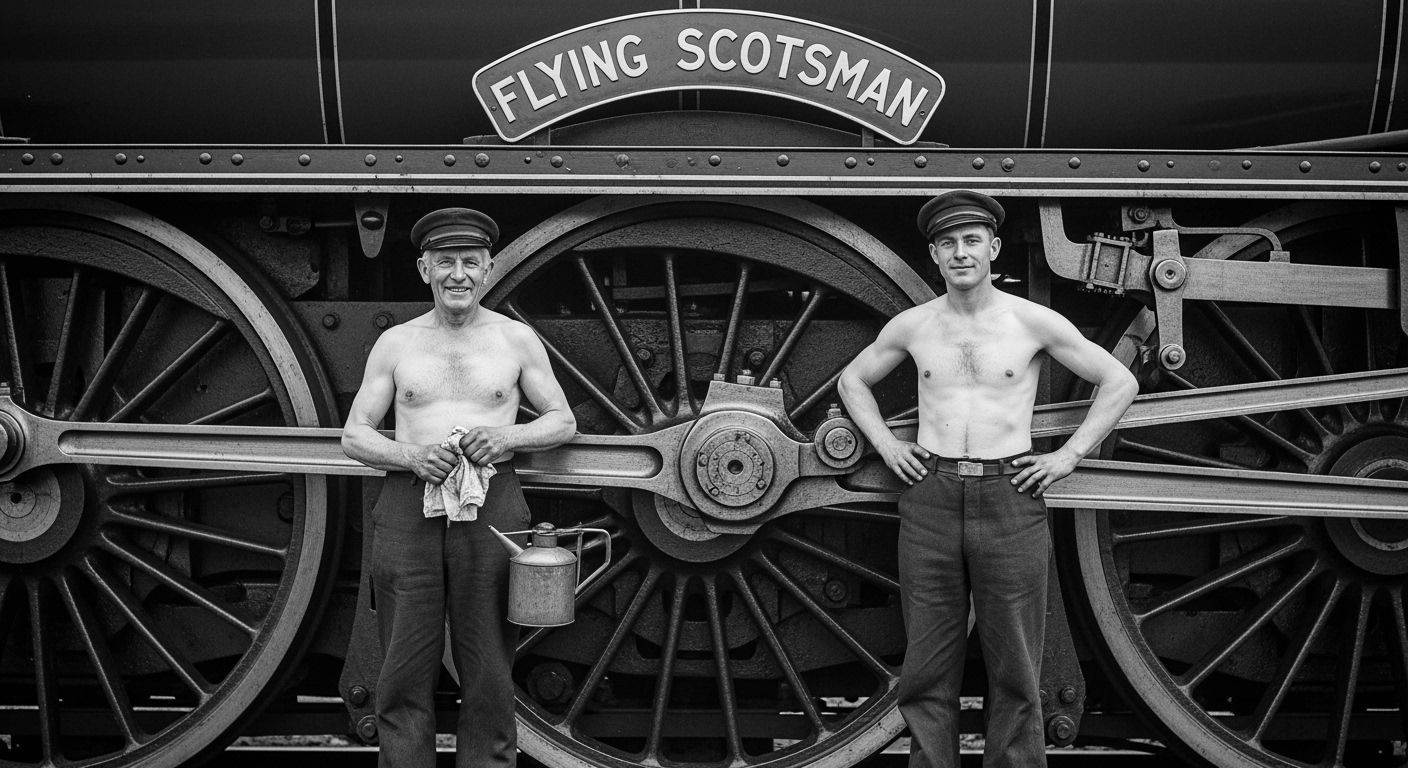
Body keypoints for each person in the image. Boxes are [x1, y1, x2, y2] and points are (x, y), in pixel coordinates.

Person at [838, 191, 1137, 768]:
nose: (960, 253)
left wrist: (1067, 457)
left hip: (1010, 496)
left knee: (1017, 668)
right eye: (948, 244)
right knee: (928, 667)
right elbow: (853, 382)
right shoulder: (916, 325)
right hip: (931, 494)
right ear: (934, 255)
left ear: (993, 248)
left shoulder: (1030, 322)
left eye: (971, 241)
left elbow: (1119, 381)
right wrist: (885, 444)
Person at [341, 207, 576, 768]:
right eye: (444, 263)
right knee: (402, 668)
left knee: (490, 668)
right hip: (407, 506)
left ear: (489, 269)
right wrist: (411, 455)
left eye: (470, 263)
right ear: (424, 269)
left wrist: (507, 438)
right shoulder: (397, 343)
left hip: (492, 502)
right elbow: (354, 435)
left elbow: (562, 421)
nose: (458, 275)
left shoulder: (515, 340)